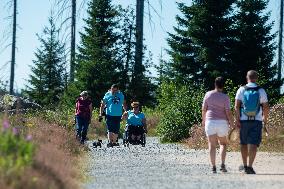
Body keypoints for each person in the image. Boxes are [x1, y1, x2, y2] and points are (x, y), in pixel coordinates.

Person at [235, 70, 269, 174]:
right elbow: (266, 107)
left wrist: (237, 120)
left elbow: (236, 106)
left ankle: (245, 166)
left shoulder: (241, 89)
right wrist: (265, 119)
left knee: (243, 143)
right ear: (256, 78)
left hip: (244, 120)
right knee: (253, 144)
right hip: (257, 120)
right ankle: (250, 166)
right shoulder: (261, 90)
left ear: (247, 77)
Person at [202, 77, 234, 173]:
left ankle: (213, 167)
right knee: (223, 144)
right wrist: (232, 123)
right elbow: (228, 112)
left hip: (210, 122)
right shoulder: (225, 97)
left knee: (212, 145)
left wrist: (203, 120)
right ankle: (223, 165)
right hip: (222, 123)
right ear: (223, 86)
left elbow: (204, 109)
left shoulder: (208, 94)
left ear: (215, 84)